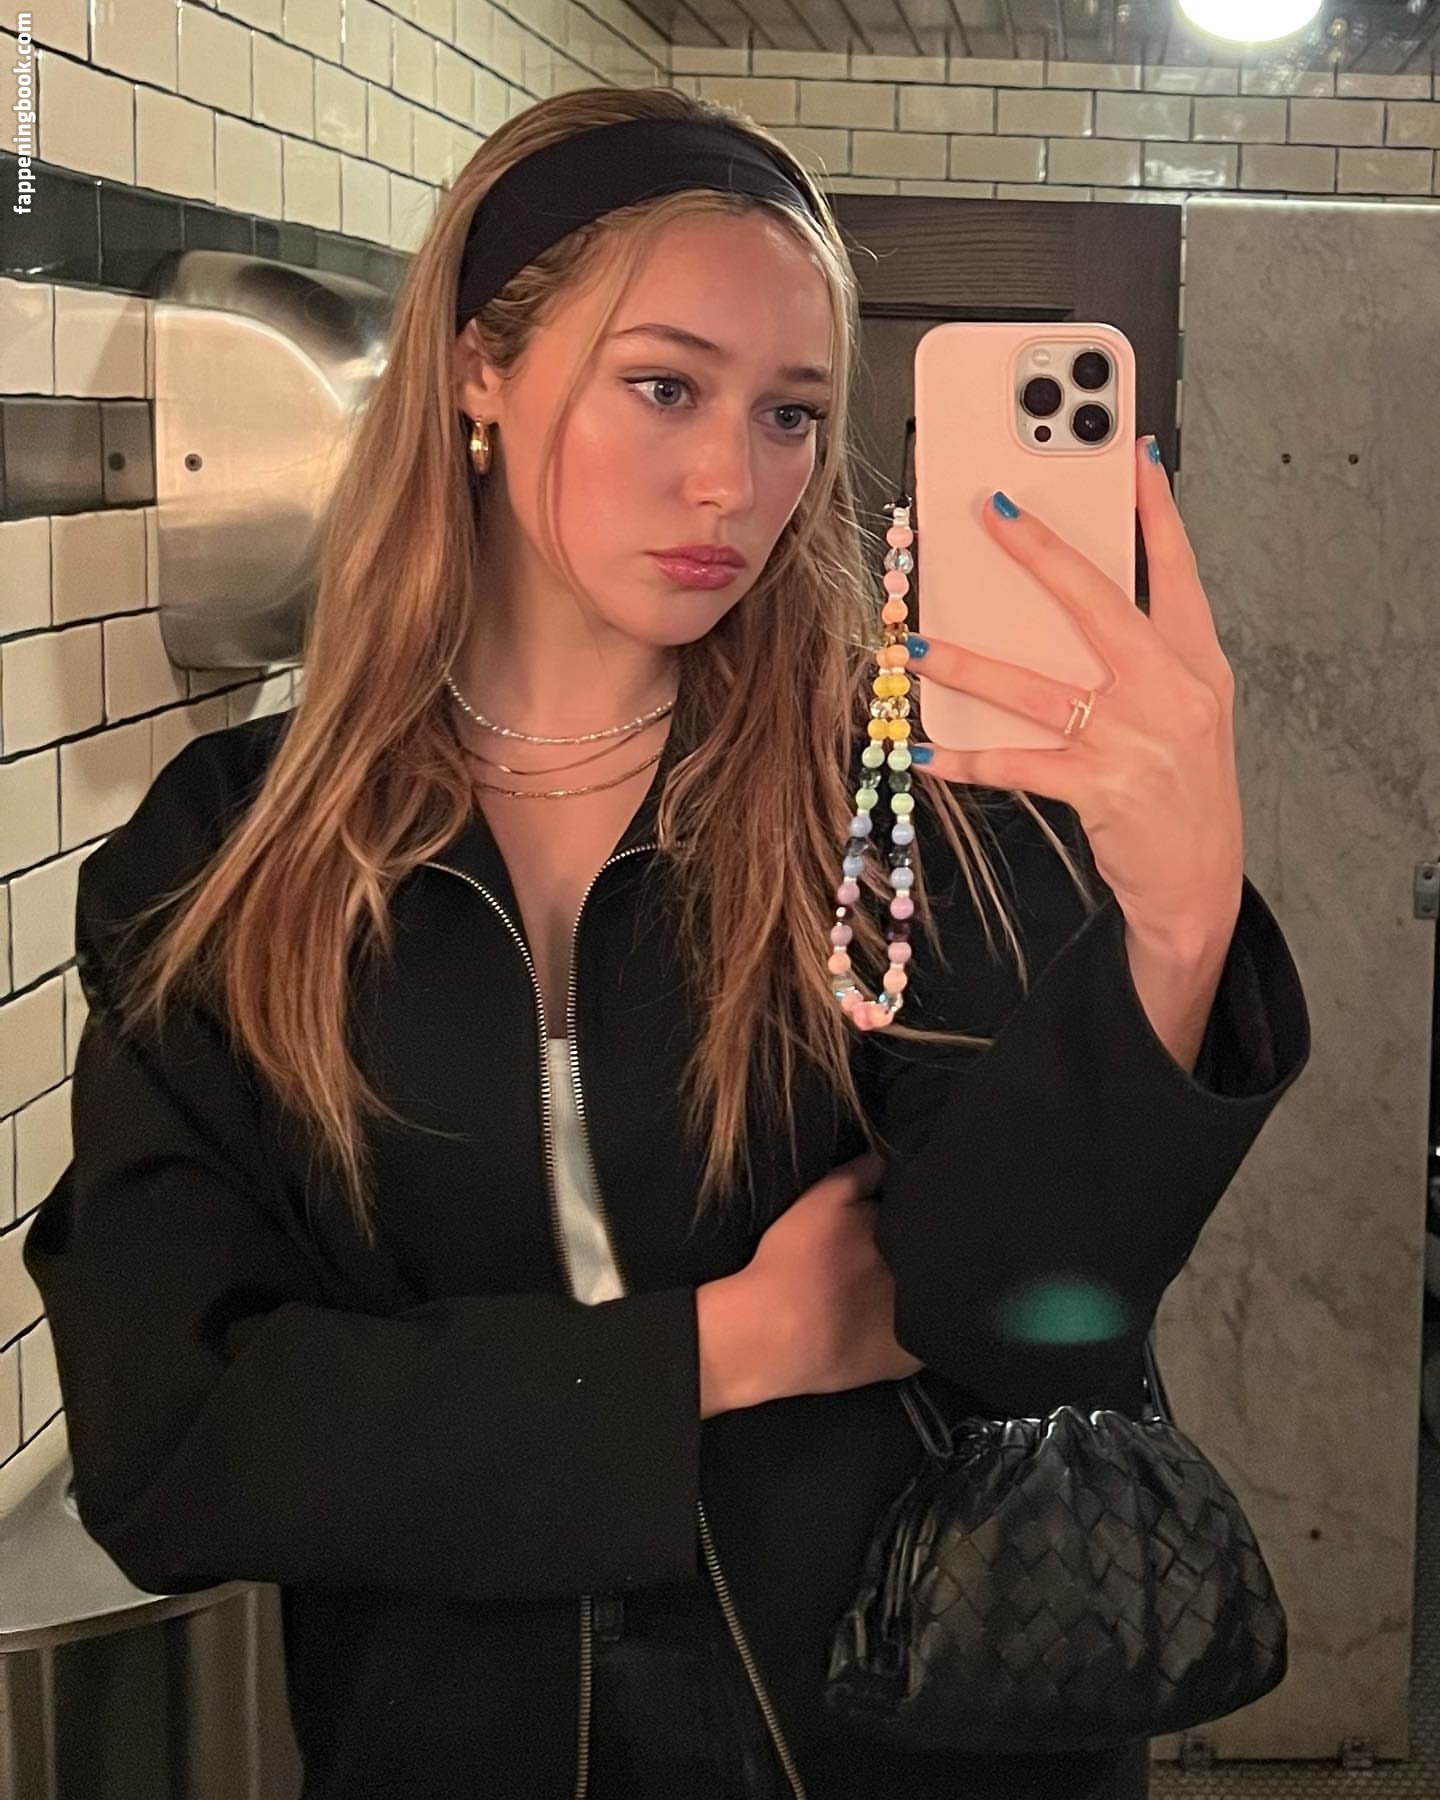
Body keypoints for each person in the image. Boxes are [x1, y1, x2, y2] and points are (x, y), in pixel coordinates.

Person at [22, 84, 1311, 1800]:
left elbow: (1029, 1323)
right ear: (479, 372)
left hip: (895, 1732)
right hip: (455, 1744)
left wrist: (1178, 924)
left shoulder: (899, 807)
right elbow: (174, 1443)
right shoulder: (233, 858)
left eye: (792, 414)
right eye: (664, 386)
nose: (735, 481)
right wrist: (723, 1349)